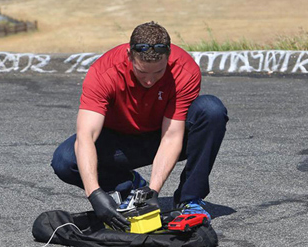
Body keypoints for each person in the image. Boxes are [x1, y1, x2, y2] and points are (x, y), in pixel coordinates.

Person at [51, 21, 228, 231]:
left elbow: (172, 136)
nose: (150, 81)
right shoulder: (103, 72)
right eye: (142, 73)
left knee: (211, 110)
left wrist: (152, 193)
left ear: (169, 57)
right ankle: (130, 186)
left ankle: (190, 200)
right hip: (120, 142)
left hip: (164, 136)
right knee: (65, 160)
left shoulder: (184, 70)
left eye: (158, 72)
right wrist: (95, 194)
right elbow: (86, 136)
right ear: (129, 56)